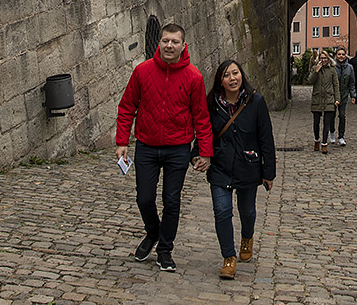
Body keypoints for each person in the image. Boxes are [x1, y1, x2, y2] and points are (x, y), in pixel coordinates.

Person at [115, 22, 212, 273]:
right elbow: (127, 106)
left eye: (174, 42)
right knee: (144, 197)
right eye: (165, 41)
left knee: (172, 200)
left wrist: (205, 151)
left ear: (183, 45)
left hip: (177, 147)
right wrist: (122, 141)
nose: (169, 45)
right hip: (146, 145)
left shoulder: (194, 77)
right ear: (159, 43)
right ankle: (153, 232)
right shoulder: (142, 71)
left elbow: (201, 117)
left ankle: (164, 249)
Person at [205, 59, 276, 281]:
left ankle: (247, 236)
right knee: (222, 211)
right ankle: (228, 257)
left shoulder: (256, 102)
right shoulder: (212, 103)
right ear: (220, 81)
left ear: (241, 75)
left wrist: (269, 172)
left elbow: (266, 138)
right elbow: (203, 130)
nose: (232, 78)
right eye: (227, 75)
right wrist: (198, 153)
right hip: (220, 166)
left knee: (247, 211)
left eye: (235, 73)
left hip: (247, 165)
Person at [308, 48, 339, 153]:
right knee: (316, 122)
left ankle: (324, 143)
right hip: (317, 98)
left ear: (328, 59)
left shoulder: (332, 70)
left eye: (325, 58)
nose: (323, 60)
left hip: (329, 98)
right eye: (321, 58)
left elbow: (336, 84)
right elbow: (310, 81)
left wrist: (337, 98)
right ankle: (317, 139)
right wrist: (316, 71)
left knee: (327, 122)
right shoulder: (314, 68)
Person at [331, 48, 355, 145]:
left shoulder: (350, 68)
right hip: (332, 95)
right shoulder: (332, 66)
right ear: (336, 55)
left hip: (344, 95)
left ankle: (341, 136)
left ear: (346, 56)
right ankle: (332, 133)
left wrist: (353, 95)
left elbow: (352, 82)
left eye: (343, 54)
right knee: (331, 116)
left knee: (342, 116)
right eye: (339, 54)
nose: (341, 56)